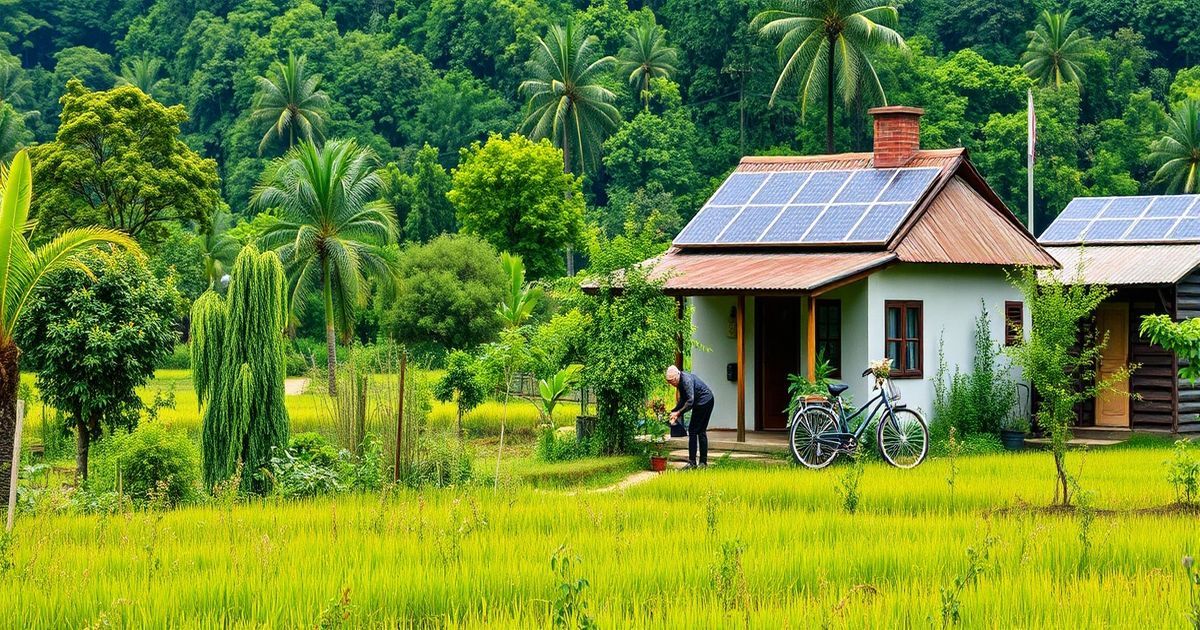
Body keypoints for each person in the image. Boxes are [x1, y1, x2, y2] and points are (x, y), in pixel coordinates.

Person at [665, 365, 714, 469]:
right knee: (698, 431)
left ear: (676, 376)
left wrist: (678, 413)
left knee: (695, 431)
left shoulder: (686, 381)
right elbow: (683, 399)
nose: (672, 384)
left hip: (705, 401)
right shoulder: (680, 382)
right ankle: (699, 463)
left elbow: (690, 401)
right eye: (669, 382)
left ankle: (696, 463)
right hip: (699, 402)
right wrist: (674, 411)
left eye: (672, 381)